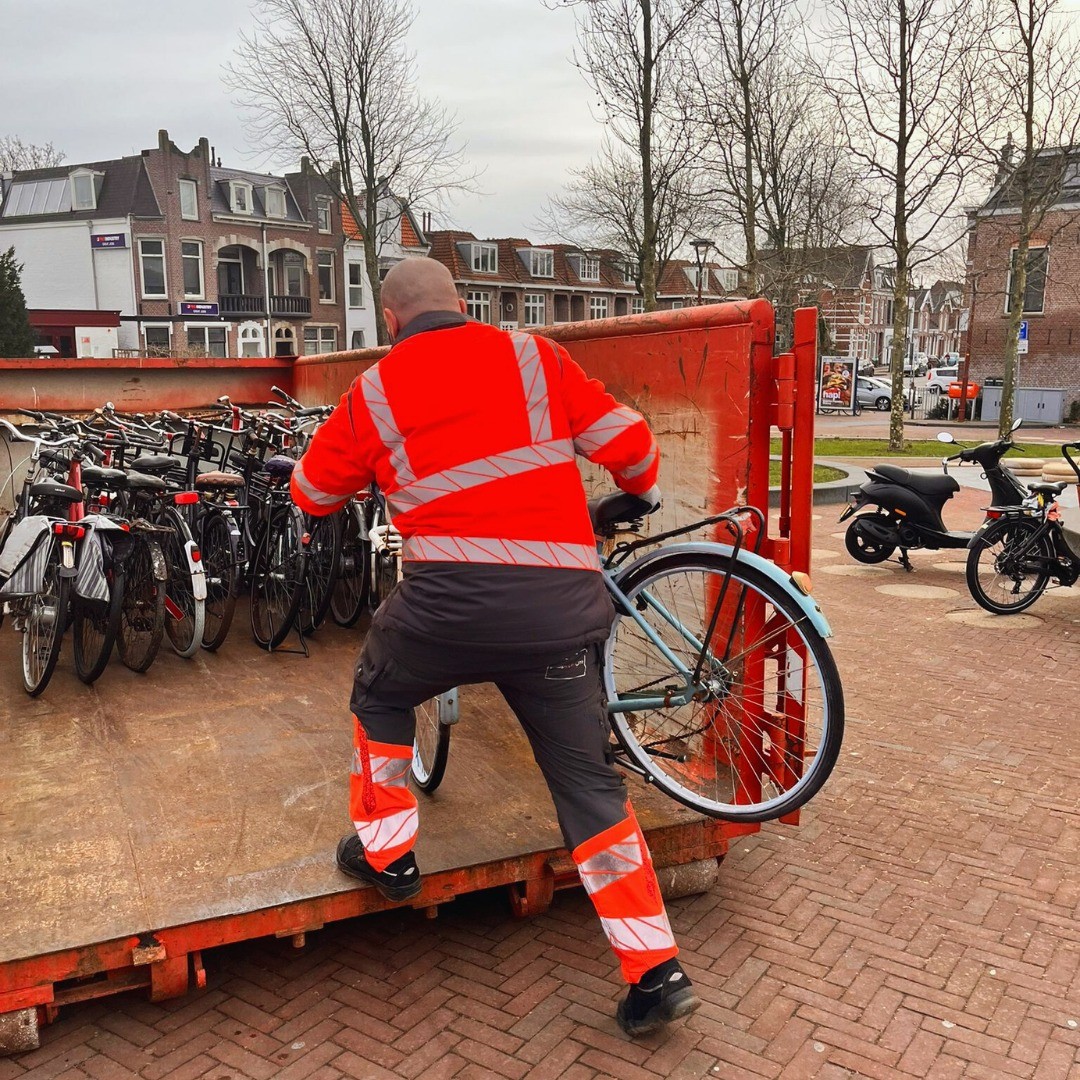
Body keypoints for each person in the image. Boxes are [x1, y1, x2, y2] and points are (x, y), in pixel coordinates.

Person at [290, 258, 699, 1037]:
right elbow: (633, 447)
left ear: (391, 318)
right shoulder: (534, 357)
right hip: (557, 618)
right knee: (589, 791)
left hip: (445, 616)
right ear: (462, 304)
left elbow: (311, 494)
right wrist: (629, 491)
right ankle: (656, 971)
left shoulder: (374, 390)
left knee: (380, 692)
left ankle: (389, 856)